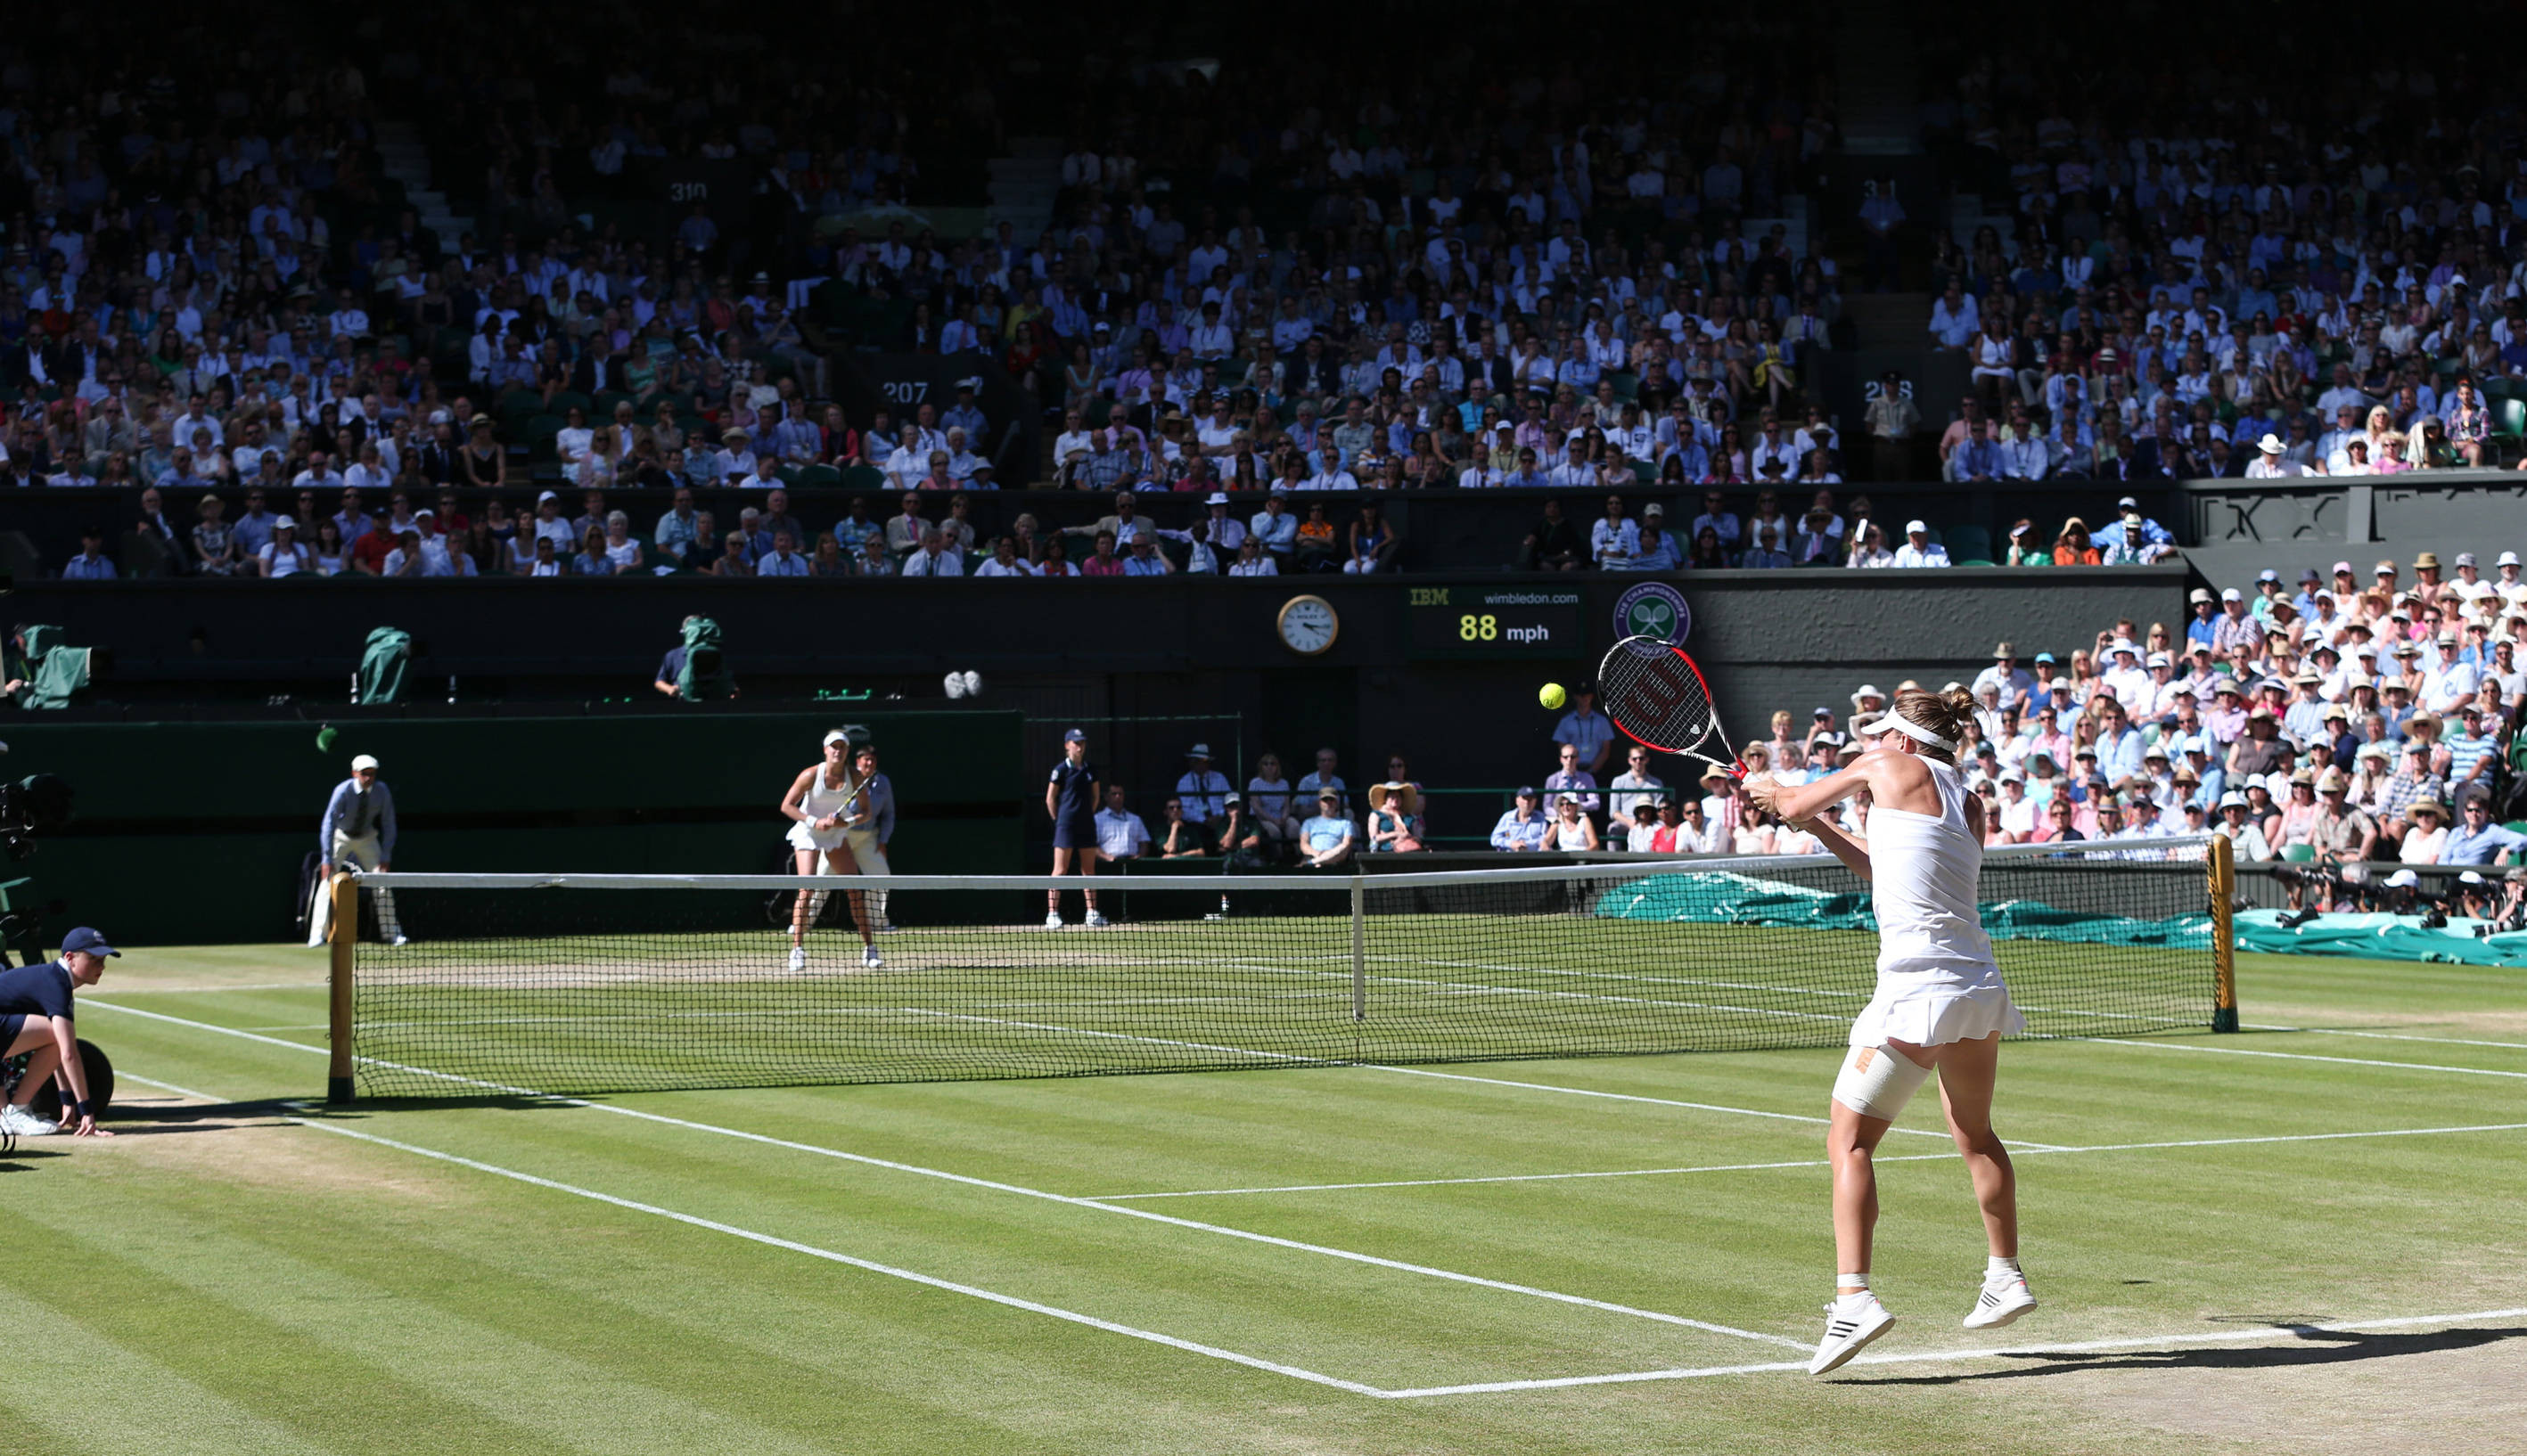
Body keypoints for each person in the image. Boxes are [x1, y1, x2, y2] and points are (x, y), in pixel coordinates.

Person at [1744, 687, 2035, 1375]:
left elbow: (1784, 803)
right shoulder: (1969, 801)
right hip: (1975, 990)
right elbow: (1885, 873)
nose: (1875, 743)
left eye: (1882, 735)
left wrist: (1770, 790)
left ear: (1900, 741)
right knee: (1974, 1134)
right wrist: (1815, 826)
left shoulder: (1881, 765)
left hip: (1915, 992)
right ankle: (2005, 1276)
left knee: (1847, 1140)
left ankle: (1853, 1299)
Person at [776, 729, 883, 971]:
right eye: (833, 747)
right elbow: (787, 805)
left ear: (846, 752)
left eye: (842, 747)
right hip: (808, 832)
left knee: (855, 891)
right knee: (806, 888)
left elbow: (866, 813)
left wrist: (845, 823)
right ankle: (797, 950)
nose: (837, 751)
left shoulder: (855, 776)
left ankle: (870, 949)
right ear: (825, 750)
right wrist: (814, 821)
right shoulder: (810, 775)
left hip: (836, 833)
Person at [0, 925, 119, 1139]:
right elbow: (68, 1052)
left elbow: (56, 1052)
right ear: (70, 958)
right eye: (94, 959)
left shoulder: (54, 979)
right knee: (59, 1036)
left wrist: (66, 1101)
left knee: (55, 1035)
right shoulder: (56, 985)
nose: (101, 966)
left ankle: (8, 1115)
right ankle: (16, 1111)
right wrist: (87, 1112)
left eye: (103, 960)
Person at [308, 754, 406, 948]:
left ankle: (392, 934)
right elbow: (328, 823)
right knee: (327, 882)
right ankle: (318, 935)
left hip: (367, 837)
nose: (368, 778)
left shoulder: (382, 791)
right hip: (341, 836)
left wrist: (386, 855)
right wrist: (327, 858)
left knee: (382, 881)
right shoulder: (342, 791)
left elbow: (389, 823)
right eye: (364, 774)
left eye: (372, 773)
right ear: (355, 773)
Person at [1046, 728, 1106, 928]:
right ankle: (1052, 915)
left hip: (1086, 826)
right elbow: (1050, 799)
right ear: (1067, 745)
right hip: (1065, 826)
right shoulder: (1060, 770)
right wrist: (1060, 820)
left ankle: (1092, 913)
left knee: (1088, 870)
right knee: (1060, 870)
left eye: (1082, 742)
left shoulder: (1091, 770)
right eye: (1075, 742)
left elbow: (1096, 797)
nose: (1079, 746)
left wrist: (1085, 816)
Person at [1299, 790, 1356, 867]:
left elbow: (1346, 844)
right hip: (1313, 856)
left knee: (1343, 847)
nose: (1329, 803)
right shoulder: (1308, 822)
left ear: (1336, 802)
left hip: (1336, 860)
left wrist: (1328, 854)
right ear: (1319, 803)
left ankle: (1313, 863)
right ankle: (1316, 862)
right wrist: (1317, 854)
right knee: (1318, 865)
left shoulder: (1346, 823)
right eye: (1325, 800)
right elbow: (1304, 845)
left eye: (1331, 800)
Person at [1489, 786, 1550, 850]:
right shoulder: (1507, 817)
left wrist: (1527, 844)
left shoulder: (1541, 817)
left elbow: (1544, 839)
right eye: (1524, 798)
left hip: (1534, 857)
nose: (1527, 802)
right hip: (1510, 857)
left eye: (1530, 799)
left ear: (1535, 801)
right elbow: (1494, 839)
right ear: (1517, 800)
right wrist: (1511, 844)